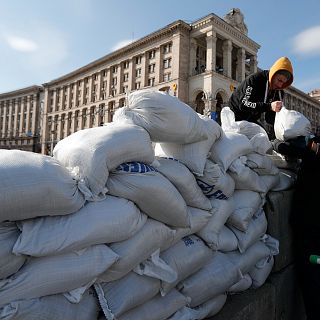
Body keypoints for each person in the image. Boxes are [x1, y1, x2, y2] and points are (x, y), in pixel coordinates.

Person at [272, 135, 320, 320]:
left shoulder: (312, 155)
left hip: (309, 229)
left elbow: (285, 148)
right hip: (311, 227)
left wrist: (277, 143)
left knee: (312, 283)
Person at [228, 56, 293, 139]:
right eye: (279, 80)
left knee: (265, 138)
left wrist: (284, 124)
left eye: (283, 83)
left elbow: (269, 118)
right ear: (273, 74)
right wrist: (269, 106)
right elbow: (243, 104)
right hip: (233, 117)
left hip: (251, 120)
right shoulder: (255, 80)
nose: (280, 85)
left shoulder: (278, 92)